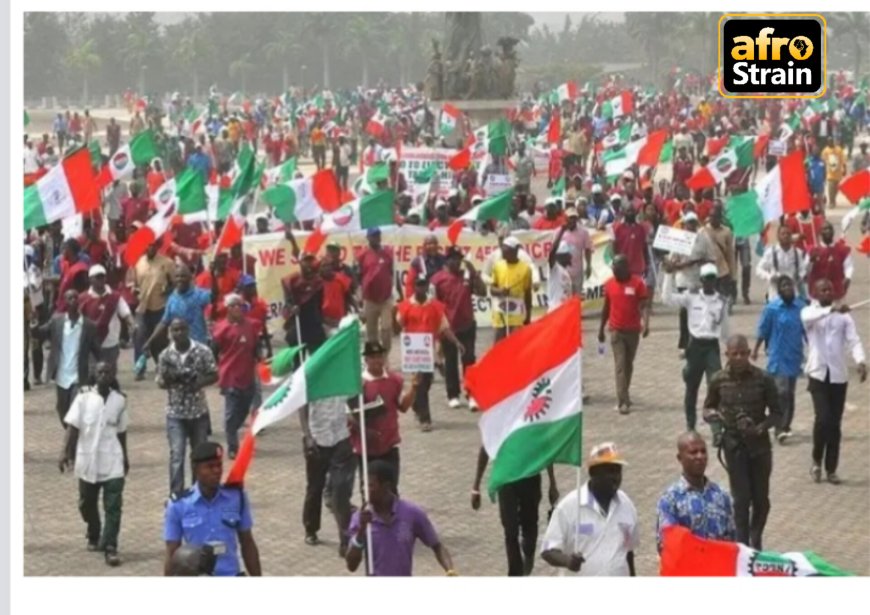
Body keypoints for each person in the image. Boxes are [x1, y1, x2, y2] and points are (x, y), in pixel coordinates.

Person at [703, 334, 781, 550]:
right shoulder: (718, 380)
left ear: (749, 353)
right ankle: (743, 545)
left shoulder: (763, 379)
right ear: (726, 355)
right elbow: (708, 407)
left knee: (761, 500)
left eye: (743, 353)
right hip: (733, 445)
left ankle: (756, 538)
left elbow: (777, 413)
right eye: (734, 354)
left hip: (760, 447)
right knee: (741, 499)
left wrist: (760, 427)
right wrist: (714, 418)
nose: (739, 358)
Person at [59, 361, 129, 566]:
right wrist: (64, 452)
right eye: (100, 372)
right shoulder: (83, 398)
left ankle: (110, 547)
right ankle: (94, 531)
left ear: (113, 374)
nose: (104, 375)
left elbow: (122, 432)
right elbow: (72, 427)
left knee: (114, 506)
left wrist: (125, 456)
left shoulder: (120, 401)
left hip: (112, 460)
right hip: (88, 460)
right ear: (94, 374)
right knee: (86, 504)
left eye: (108, 372)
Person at [802, 279, 867, 484]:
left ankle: (831, 469)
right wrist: (832, 310)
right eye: (823, 290)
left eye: (830, 289)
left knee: (834, 424)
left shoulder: (844, 316)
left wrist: (860, 361)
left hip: (838, 376)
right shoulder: (809, 313)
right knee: (823, 419)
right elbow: (810, 318)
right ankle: (816, 460)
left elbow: (853, 340)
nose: (827, 292)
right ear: (816, 293)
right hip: (817, 374)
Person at [164, 442, 262, 576]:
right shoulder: (178, 504)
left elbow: (247, 543)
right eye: (210, 467)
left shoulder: (236, 497)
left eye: (219, 465)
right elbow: (172, 552)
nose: (216, 471)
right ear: (196, 469)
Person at [541, 442, 637, 576]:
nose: (615, 477)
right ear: (593, 473)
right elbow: (548, 550)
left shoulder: (627, 505)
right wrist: (568, 561)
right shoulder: (569, 507)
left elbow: (628, 552)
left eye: (618, 471)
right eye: (609, 471)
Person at [346, 460, 456, 576]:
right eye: (363, 484)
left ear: (386, 486)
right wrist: (361, 531)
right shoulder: (360, 518)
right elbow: (351, 565)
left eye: (370, 485)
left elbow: (437, 545)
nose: (364, 489)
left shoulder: (412, 513)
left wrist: (450, 571)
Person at [395, 274, 466, 432]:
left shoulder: (435, 306)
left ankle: (415, 404)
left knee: (426, 382)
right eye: (418, 285)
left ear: (427, 286)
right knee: (420, 382)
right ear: (414, 287)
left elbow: (444, 327)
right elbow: (397, 326)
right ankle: (424, 418)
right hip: (413, 351)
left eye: (423, 285)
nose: (421, 288)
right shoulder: (405, 306)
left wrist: (456, 342)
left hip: (429, 351)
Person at [157, 318, 219, 498]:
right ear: (170, 332)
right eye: (175, 330)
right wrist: (170, 379)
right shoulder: (165, 355)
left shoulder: (202, 351)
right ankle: (176, 495)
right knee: (177, 455)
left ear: (188, 329)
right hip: (175, 412)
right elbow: (160, 382)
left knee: (199, 455)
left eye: (182, 329)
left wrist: (199, 382)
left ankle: (197, 493)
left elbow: (214, 374)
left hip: (198, 412)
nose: (179, 333)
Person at [472, 449, 559, 576]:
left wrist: (552, 482)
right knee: (510, 530)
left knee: (530, 526)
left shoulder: (530, 428)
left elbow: (544, 445)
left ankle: (528, 554)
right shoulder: (498, 428)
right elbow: (486, 445)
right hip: (506, 479)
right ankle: (515, 574)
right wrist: (476, 487)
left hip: (530, 476)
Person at [663, 264, 729, 431]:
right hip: (695, 346)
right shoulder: (691, 297)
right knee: (692, 387)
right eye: (707, 279)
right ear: (701, 280)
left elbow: (725, 328)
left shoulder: (722, 301)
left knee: (715, 388)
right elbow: (667, 299)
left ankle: (716, 431)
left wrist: (728, 348)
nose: (710, 282)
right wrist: (668, 275)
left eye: (713, 278)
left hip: (712, 348)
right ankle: (690, 425)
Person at [349, 342, 417, 490]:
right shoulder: (357, 384)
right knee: (369, 491)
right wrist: (365, 432)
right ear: (366, 360)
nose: (377, 361)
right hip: (366, 449)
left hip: (389, 446)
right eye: (372, 357)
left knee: (391, 490)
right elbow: (350, 415)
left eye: (379, 356)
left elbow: (403, 406)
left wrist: (414, 389)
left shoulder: (394, 380)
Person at [655, 432, 735, 553]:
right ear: (680, 458)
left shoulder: (722, 496)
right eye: (693, 452)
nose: (700, 456)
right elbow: (666, 545)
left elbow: (733, 539)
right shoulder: (670, 500)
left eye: (703, 451)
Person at [752, 276, 806, 444]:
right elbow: (763, 330)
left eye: (790, 284)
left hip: (794, 356)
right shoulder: (772, 309)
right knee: (780, 392)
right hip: (777, 356)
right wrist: (755, 349)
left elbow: (808, 331)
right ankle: (778, 428)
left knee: (789, 393)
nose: (788, 287)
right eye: (784, 285)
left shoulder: (801, 307)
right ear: (779, 290)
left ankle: (786, 424)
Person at [299, 394, 356, 553]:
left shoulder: (342, 375)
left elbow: (352, 400)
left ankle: (345, 539)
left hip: (341, 439)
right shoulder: (313, 374)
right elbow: (302, 406)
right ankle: (311, 528)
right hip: (317, 441)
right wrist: (307, 435)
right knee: (315, 488)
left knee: (341, 492)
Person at [431, 246, 485, 410]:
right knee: (451, 361)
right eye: (453, 258)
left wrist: (474, 272)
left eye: (459, 258)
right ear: (447, 260)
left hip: (467, 324)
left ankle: (471, 394)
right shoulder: (438, 279)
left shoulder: (467, 276)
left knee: (469, 360)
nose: (456, 261)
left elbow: (482, 292)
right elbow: (435, 304)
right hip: (448, 327)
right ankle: (453, 395)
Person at [38, 289, 100, 427]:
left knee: (75, 411)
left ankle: (73, 442)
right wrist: (33, 325)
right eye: (69, 298)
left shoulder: (88, 326)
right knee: (62, 411)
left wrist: (99, 370)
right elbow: (40, 332)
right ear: (65, 301)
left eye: (75, 298)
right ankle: (71, 435)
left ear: (79, 301)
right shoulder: (57, 322)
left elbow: (97, 351)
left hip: (79, 376)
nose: (73, 300)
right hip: (61, 376)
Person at [599, 255, 650, 414]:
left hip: (633, 331)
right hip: (616, 330)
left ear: (626, 268)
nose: (615, 272)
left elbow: (644, 306)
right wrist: (601, 329)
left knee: (628, 364)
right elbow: (606, 308)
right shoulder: (609, 284)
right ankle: (623, 401)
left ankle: (624, 393)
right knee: (620, 365)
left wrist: (646, 323)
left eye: (618, 269)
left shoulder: (637, 284)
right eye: (613, 269)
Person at [212, 294, 259, 459]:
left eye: (239, 305)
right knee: (231, 413)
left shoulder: (252, 325)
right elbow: (215, 350)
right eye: (232, 305)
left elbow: (256, 348)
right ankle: (232, 445)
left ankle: (232, 429)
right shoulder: (221, 328)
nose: (236, 308)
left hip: (247, 375)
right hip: (229, 376)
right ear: (227, 308)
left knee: (245, 409)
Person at [664, 212, 715, 351]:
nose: (691, 226)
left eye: (693, 223)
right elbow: (671, 260)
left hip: (699, 280)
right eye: (688, 223)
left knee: (697, 310)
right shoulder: (679, 239)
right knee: (684, 311)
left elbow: (711, 258)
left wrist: (697, 262)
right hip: (683, 280)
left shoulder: (703, 238)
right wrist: (674, 264)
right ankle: (684, 344)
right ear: (684, 224)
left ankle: (697, 340)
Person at [79, 265, 135, 377]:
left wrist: (132, 325)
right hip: (92, 342)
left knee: (110, 374)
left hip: (111, 342)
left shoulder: (114, 297)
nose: (101, 280)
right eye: (97, 277)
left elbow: (126, 313)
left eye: (102, 277)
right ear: (91, 279)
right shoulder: (83, 298)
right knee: (93, 374)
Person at [130, 241, 174, 379]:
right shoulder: (139, 263)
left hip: (160, 306)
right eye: (148, 245)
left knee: (159, 339)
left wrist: (168, 289)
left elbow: (175, 283)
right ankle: (139, 368)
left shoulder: (167, 263)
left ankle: (162, 367)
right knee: (139, 336)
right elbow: (134, 284)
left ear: (157, 246)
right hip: (142, 307)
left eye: (153, 245)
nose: (150, 247)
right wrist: (134, 290)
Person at [145, 264, 213, 353]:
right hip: (178, 347)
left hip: (198, 347)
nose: (180, 279)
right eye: (177, 276)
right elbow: (164, 322)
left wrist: (213, 276)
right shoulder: (172, 299)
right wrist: (150, 341)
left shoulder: (199, 294)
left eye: (183, 276)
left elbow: (214, 296)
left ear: (190, 278)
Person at [489, 236, 533, 342]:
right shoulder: (498, 266)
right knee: (498, 346)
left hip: (517, 314)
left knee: (516, 346)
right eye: (502, 249)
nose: (502, 252)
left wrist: (528, 316)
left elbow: (528, 293)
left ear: (515, 250)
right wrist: (500, 291)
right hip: (500, 314)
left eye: (506, 249)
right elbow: (492, 289)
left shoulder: (525, 269)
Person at [282, 252, 326, 354]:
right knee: (297, 360)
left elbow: (320, 303)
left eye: (311, 260)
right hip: (297, 323)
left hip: (314, 325)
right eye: (306, 260)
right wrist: (292, 308)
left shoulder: (318, 281)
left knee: (317, 360)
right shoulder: (291, 280)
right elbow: (287, 302)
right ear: (300, 262)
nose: (308, 264)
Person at [359, 228, 395, 353]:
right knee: (371, 331)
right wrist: (360, 297)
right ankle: (375, 357)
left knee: (386, 328)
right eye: (374, 236)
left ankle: (385, 355)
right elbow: (359, 276)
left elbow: (392, 272)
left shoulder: (388, 253)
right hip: (370, 299)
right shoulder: (362, 255)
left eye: (378, 235)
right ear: (368, 238)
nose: (377, 238)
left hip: (385, 298)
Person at [756, 224, 808, 302]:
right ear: (778, 236)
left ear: (791, 236)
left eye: (788, 234)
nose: (785, 236)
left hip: (793, 294)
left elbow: (803, 269)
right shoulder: (770, 252)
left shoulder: (797, 253)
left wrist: (799, 276)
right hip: (775, 295)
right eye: (783, 234)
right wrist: (769, 277)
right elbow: (759, 269)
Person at [807, 221, 853, 302]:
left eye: (829, 228)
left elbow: (849, 266)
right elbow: (806, 270)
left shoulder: (842, 249)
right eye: (825, 229)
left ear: (833, 231)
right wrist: (811, 261)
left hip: (836, 291)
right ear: (820, 232)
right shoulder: (812, 250)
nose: (828, 231)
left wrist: (848, 277)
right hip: (817, 293)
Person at [702, 206, 737, 308]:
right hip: (708, 271)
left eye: (716, 217)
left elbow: (730, 254)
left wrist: (733, 274)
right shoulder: (702, 231)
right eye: (711, 216)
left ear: (720, 218)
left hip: (723, 270)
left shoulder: (727, 232)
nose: (713, 219)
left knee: (723, 298)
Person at [612, 205, 648, 279]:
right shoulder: (618, 228)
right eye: (628, 211)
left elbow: (644, 248)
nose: (630, 213)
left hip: (637, 266)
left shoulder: (641, 229)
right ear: (624, 213)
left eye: (632, 211)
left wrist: (646, 264)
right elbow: (614, 246)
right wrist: (615, 262)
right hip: (622, 266)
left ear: (636, 213)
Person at [821, 137, 847, 210]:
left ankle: (833, 199)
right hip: (830, 173)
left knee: (836, 189)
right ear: (827, 142)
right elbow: (823, 160)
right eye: (829, 141)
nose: (830, 142)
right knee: (830, 188)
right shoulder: (825, 151)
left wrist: (844, 169)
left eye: (831, 141)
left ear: (833, 142)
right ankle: (831, 202)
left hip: (838, 173)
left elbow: (843, 159)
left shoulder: (839, 149)